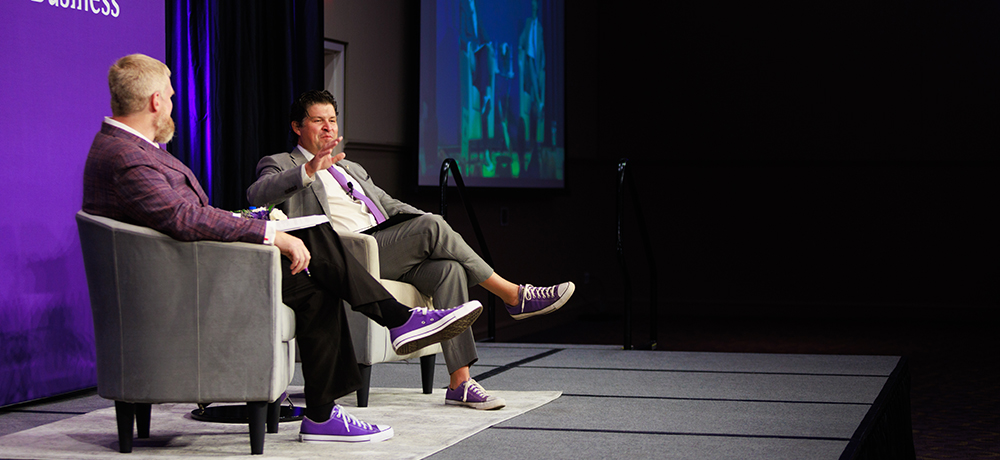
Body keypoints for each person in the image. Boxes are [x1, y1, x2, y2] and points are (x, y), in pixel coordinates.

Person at [82, 54, 483, 444]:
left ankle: (324, 413)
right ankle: (398, 321)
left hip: (202, 268)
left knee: (316, 277)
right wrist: (268, 233)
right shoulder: (127, 157)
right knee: (314, 240)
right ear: (155, 102)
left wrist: (259, 223)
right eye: (169, 96)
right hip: (187, 285)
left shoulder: (134, 151)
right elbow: (184, 220)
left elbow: (188, 215)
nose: (171, 104)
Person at [247, 90, 575, 411]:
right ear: (297, 127)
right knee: (432, 225)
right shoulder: (281, 163)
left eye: (332, 120)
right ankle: (513, 295)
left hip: (386, 246)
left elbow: (389, 205)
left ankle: (460, 383)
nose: (329, 128)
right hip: (348, 254)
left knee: (449, 269)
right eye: (319, 121)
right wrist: (308, 171)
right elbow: (258, 194)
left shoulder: (353, 168)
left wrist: (426, 227)